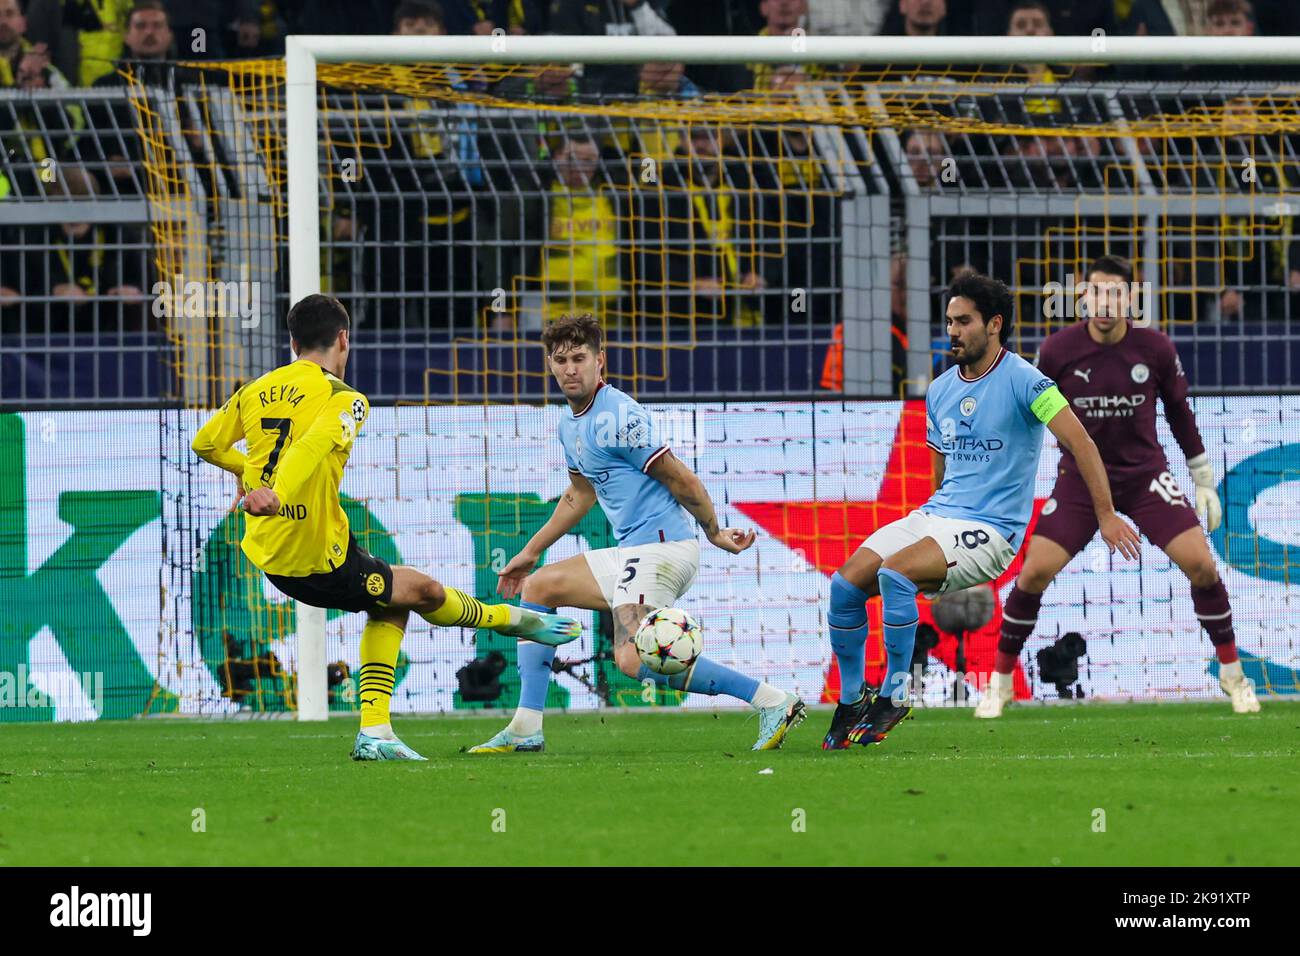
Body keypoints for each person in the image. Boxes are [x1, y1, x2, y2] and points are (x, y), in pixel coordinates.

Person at [191, 295, 582, 760]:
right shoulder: (347, 400)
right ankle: (515, 622)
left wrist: (249, 475)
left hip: (272, 554)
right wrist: (274, 492)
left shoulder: (257, 389)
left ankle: (377, 732)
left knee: (399, 598)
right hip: (316, 559)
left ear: (292, 343)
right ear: (343, 339)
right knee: (423, 593)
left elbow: (206, 442)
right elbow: (310, 449)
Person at [821, 272, 1142, 749]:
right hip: (939, 516)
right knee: (844, 586)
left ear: (994, 324)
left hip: (993, 531)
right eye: (949, 321)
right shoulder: (941, 388)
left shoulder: (1029, 382)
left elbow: (1082, 444)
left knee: (895, 575)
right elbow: (940, 471)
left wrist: (1106, 514)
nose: (952, 330)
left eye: (963, 321)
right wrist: (929, 536)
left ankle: (897, 693)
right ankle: (850, 702)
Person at [468, 312, 807, 754]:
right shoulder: (569, 424)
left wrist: (714, 531)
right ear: (550, 365)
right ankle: (526, 727)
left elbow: (678, 478)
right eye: (560, 359)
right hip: (634, 552)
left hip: (661, 549)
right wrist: (531, 551)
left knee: (631, 659)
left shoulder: (617, 415)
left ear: (600, 361)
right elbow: (578, 495)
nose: (570, 368)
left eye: (579, 358)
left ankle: (772, 701)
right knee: (540, 586)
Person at [977, 255, 1262, 717]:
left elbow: (1179, 414)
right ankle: (1000, 682)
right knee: (1032, 574)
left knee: (1203, 567)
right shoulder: (1056, 351)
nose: (1105, 301)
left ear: (1130, 298)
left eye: (1115, 292)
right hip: (1079, 484)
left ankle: (1233, 675)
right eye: (1096, 292)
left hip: (1144, 478)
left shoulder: (1155, 348)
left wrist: (1202, 479)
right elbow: (1027, 418)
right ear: (1083, 298)